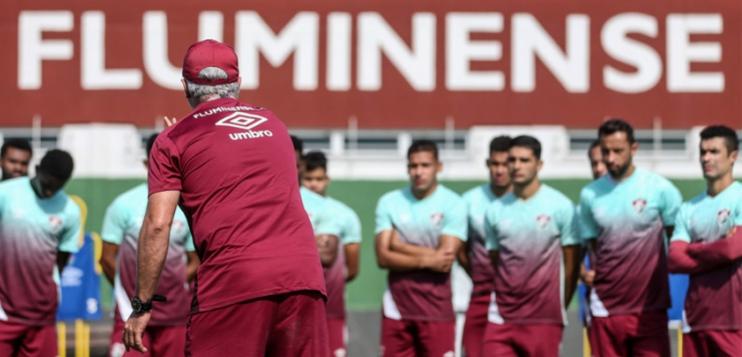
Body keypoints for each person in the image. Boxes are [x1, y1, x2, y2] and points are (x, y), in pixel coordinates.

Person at [123, 39, 330, 356]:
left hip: (233, 283)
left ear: (184, 86)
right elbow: (231, 155)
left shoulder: (173, 141)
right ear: (239, 83)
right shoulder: (274, 124)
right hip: (303, 278)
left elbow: (157, 225)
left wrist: (142, 304)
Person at [578, 119, 682, 357]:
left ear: (633, 149)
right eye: (606, 152)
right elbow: (588, 248)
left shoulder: (660, 189)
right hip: (605, 308)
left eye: (618, 151)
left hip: (650, 308)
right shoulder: (590, 195)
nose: (611, 158)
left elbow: (679, 244)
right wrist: (584, 274)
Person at [100, 134, 199, 357]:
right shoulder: (123, 204)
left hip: (175, 316)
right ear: (148, 163)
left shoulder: (189, 205)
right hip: (131, 313)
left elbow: (196, 260)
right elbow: (106, 258)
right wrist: (132, 293)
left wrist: (175, 284)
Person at [481, 135, 581, 356]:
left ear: (539, 164)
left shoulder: (561, 206)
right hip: (501, 317)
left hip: (544, 318)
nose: (517, 166)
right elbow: (496, 261)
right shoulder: (494, 210)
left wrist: (558, 305)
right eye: (512, 160)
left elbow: (572, 264)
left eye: (524, 160)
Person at [374, 139, 467, 357]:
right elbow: (383, 257)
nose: (418, 172)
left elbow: (444, 261)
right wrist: (427, 259)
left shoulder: (453, 203)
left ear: (439, 167)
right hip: (396, 309)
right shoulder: (390, 202)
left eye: (425, 165)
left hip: (437, 310)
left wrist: (398, 245)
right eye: (413, 166)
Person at [667, 125, 742, 356]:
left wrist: (693, 248)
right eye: (703, 152)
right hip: (696, 321)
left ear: (732, 156)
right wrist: (718, 247)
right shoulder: (688, 208)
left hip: (736, 322)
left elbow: (733, 248)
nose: (706, 158)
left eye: (714, 151)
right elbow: (675, 260)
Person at [0, 149, 81, 356]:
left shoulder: (70, 211)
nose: (49, 192)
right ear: (36, 170)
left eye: (56, 187)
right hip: (3, 312)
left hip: (41, 314)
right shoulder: (6, 193)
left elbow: (60, 261)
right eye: (46, 184)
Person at [303, 150, 362, 356]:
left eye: (318, 179)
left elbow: (352, 268)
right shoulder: (293, 206)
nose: (313, 184)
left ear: (327, 179)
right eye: (308, 179)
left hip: (333, 309)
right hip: (300, 307)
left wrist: (332, 281)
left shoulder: (344, 214)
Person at [459, 135, 512, 357]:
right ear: (487, 164)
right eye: (494, 164)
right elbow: (460, 249)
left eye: (505, 164)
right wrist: (477, 274)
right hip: (480, 294)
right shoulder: (469, 201)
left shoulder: (526, 201)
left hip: (516, 298)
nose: (499, 170)